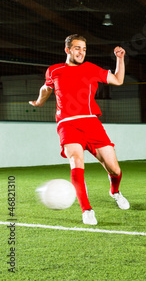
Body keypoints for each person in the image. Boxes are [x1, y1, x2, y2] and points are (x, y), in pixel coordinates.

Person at [30, 34, 130, 225]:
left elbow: (118, 80)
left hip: (92, 123)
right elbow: (46, 89)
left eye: (84, 49)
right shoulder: (54, 70)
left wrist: (120, 58)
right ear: (67, 50)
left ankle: (115, 192)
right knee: (76, 160)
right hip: (67, 123)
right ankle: (87, 210)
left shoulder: (91, 68)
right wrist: (39, 102)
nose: (81, 52)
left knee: (115, 170)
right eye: (77, 48)